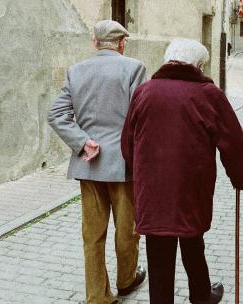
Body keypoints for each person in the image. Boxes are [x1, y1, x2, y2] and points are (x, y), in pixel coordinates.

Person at [121, 39, 243, 304]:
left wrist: (138, 173)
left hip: (153, 191)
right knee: (193, 243)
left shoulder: (144, 92)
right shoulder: (209, 94)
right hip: (191, 188)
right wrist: (241, 177)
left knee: (158, 252)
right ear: (198, 65)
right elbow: (234, 141)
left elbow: (128, 142)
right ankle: (201, 296)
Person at [48, 20, 147, 304]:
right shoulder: (134, 68)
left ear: (94, 42)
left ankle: (98, 296)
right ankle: (126, 279)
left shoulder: (76, 71)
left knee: (92, 234)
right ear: (121, 43)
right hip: (123, 166)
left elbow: (56, 115)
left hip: (89, 164)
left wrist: (82, 141)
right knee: (127, 229)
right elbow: (141, 117)